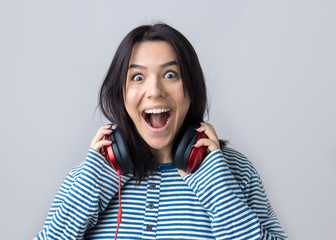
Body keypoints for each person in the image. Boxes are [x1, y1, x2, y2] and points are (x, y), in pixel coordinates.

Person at [34, 23, 287, 240]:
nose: (155, 90)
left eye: (170, 74)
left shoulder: (235, 170)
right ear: (121, 94)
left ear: (191, 88)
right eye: (137, 77)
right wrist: (93, 185)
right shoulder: (89, 176)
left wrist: (217, 189)